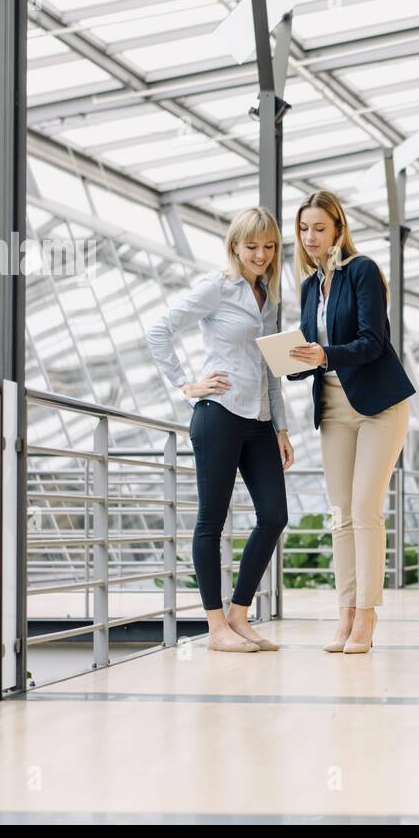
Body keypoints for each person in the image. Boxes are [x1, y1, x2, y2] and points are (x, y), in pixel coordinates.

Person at [146, 207, 293, 653]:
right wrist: (185, 385)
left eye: (269, 247)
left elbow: (271, 365)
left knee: (274, 515)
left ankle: (238, 615)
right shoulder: (217, 287)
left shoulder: (269, 295)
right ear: (234, 246)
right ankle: (214, 629)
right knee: (211, 520)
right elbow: (159, 330)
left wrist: (282, 428)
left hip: (259, 420)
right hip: (219, 413)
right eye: (252, 247)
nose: (262, 255)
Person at [288, 191, 415, 654]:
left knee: (364, 508)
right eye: (304, 229)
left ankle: (366, 616)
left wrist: (325, 353)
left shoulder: (361, 270)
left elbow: (373, 341)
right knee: (341, 514)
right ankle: (344, 613)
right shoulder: (308, 287)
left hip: (378, 403)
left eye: (320, 228)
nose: (310, 237)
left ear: (338, 229)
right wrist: (291, 359)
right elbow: (312, 350)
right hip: (333, 406)